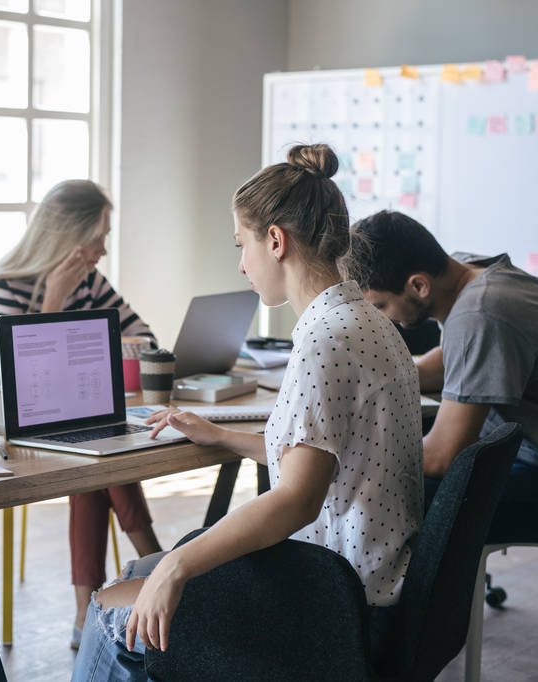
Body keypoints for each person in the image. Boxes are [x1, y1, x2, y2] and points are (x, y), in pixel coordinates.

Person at [71, 145, 423, 681]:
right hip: (374, 582)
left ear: (275, 241)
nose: (241, 264)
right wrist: (221, 435)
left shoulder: (325, 340)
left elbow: (296, 501)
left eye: (243, 245)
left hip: (336, 603)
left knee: (113, 606)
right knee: (139, 576)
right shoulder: (368, 323)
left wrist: (178, 565)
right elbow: (326, 456)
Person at [0, 179, 162, 647]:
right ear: (69, 235)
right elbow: (23, 378)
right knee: (102, 456)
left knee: (95, 459)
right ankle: (161, 566)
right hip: (17, 429)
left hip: (74, 423)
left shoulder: (91, 282)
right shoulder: (4, 288)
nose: (102, 249)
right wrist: (55, 303)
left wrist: (98, 343)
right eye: (99, 235)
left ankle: (86, 614)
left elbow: (146, 337)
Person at [343, 210, 538, 542]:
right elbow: (455, 360)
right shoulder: (470, 272)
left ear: (418, 285)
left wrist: (346, 458)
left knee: (376, 498)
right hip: (516, 445)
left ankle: (419, 595)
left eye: (380, 306)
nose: (382, 319)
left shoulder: (480, 313)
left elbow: (442, 457)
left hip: (530, 462)